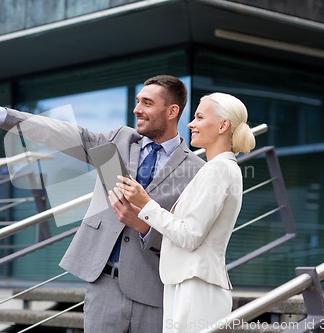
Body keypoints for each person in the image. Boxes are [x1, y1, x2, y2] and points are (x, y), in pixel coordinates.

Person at [0, 75, 205, 333]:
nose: (137, 109)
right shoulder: (118, 140)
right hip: (104, 288)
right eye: (137, 101)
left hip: (154, 294)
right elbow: (59, 133)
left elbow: (191, 237)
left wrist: (145, 227)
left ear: (172, 111)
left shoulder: (196, 170)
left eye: (147, 103)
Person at [109, 92, 256, 333]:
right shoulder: (218, 169)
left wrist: (146, 204)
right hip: (187, 283)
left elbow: (190, 235)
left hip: (196, 287)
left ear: (222, 125)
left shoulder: (218, 169)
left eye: (199, 117)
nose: (190, 123)